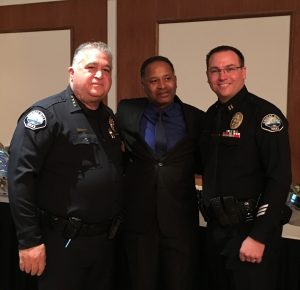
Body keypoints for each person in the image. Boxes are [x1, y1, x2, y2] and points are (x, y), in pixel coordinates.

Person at [8, 41, 123, 290]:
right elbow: (20, 179)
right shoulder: (46, 116)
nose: (99, 75)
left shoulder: (107, 117)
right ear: (72, 73)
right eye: (91, 67)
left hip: (103, 243)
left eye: (106, 69)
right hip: (61, 243)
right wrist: (29, 241)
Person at [200, 45, 292, 290]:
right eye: (215, 70)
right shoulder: (210, 116)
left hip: (250, 232)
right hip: (217, 231)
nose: (222, 76)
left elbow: (279, 178)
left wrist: (258, 236)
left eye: (230, 68)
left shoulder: (265, 116)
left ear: (244, 72)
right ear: (207, 76)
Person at [116, 56, 205, 290]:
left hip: (180, 224)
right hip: (138, 224)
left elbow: (204, 162)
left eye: (167, 78)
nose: (162, 85)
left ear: (175, 80)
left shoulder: (197, 118)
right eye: (154, 80)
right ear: (143, 84)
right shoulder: (126, 111)